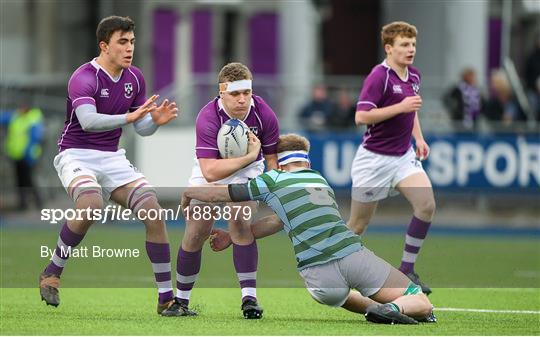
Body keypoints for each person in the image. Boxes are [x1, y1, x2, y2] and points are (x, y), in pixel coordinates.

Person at [181, 134, 435, 324]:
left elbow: (225, 196)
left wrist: (191, 191)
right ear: (305, 159)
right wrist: (232, 237)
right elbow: (279, 220)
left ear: (278, 162)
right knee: (420, 300)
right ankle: (395, 308)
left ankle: (381, 309)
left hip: (318, 281)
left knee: (342, 296)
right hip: (350, 254)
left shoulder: (273, 180)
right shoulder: (320, 181)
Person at [39, 16, 180, 316]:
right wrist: (130, 119)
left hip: (112, 156)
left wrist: (152, 122)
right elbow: (88, 122)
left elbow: (140, 128)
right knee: (90, 206)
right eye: (122, 42)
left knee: (153, 212)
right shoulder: (84, 77)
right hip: (76, 154)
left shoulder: (135, 78)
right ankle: (52, 271)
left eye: (132, 42)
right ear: (104, 45)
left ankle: (166, 299)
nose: (130, 48)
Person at [164, 62, 279, 318]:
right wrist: (249, 156)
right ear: (222, 93)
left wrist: (270, 185)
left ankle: (249, 299)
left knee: (239, 220)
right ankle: (180, 301)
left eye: (246, 93)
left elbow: (271, 159)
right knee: (197, 230)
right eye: (235, 94)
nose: (242, 100)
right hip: (214, 167)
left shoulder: (263, 113)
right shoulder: (208, 116)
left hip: (249, 171)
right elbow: (210, 172)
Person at [346, 21, 435, 294]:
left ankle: (407, 269)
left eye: (413, 45)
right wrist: (400, 107)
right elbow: (361, 117)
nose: (410, 50)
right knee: (358, 224)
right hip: (373, 160)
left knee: (426, 205)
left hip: (402, 157)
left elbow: (412, 111)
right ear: (389, 48)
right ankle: (327, 263)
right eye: (404, 45)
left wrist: (418, 138)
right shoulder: (379, 76)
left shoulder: (415, 76)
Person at [3, 103, 44, 210]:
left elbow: (35, 138)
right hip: (16, 155)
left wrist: (27, 153)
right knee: (20, 181)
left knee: (29, 180)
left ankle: (38, 202)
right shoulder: (16, 117)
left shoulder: (33, 119)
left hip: (28, 156)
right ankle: (23, 204)